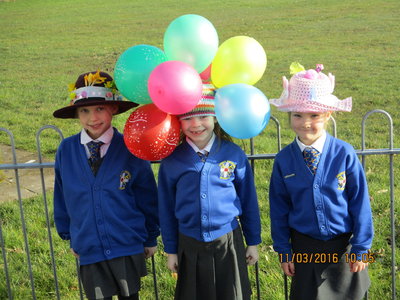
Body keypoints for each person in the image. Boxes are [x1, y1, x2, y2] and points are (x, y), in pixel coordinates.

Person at [268, 63, 374, 300]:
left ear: (328, 115)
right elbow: (279, 209)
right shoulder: (284, 160)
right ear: (289, 116)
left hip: (344, 248)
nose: (305, 123)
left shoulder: (344, 154)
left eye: (314, 115)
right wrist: (284, 251)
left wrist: (361, 248)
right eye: (298, 115)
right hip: (305, 249)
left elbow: (359, 203)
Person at [53, 70, 159, 300]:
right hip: (88, 244)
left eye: (100, 108)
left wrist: (151, 236)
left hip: (126, 244)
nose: (93, 118)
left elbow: (147, 195)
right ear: (76, 115)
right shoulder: (67, 150)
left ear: (113, 109)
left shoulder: (131, 147)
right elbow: (62, 196)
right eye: (85, 111)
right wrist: (70, 235)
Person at [157, 83, 262, 300]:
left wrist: (253, 242)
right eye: (186, 118)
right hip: (188, 243)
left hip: (228, 241)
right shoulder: (172, 161)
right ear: (177, 121)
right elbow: (165, 208)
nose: (195, 124)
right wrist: (171, 250)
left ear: (215, 117)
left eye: (203, 116)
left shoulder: (233, 154)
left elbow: (248, 200)